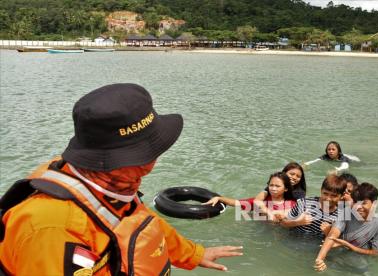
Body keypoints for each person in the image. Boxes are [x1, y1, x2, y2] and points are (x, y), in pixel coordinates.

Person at [0, 83, 242, 275]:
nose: (155, 160)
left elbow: (139, 221)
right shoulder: (50, 227)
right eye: (151, 151)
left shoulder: (111, 186)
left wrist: (193, 254)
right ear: (118, 162)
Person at [314, 183, 378, 272]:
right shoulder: (347, 212)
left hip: (359, 261)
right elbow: (332, 235)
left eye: (364, 203)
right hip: (337, 254)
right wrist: (320, 259)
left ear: (374, 204)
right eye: (356, 202)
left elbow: (376, 253)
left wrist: (348, 245)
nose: (358, 207)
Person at [204, 172, 297, 221]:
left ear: (286, 189)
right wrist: (219, 198)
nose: (273, 188)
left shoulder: (292, 204)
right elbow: (236, 203)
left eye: (277, 186)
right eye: (271, 185)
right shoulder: (259, 201)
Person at [279, 174, 346, 238]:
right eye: (325, 193)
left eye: (334, 196)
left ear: (342, 196)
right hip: (293, 239)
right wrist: (298, 222)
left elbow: (340, 240)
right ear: (321, 190)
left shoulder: (342, 214)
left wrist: (328, 233)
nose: (328, 198)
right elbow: (283, 223)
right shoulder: (304, 203)